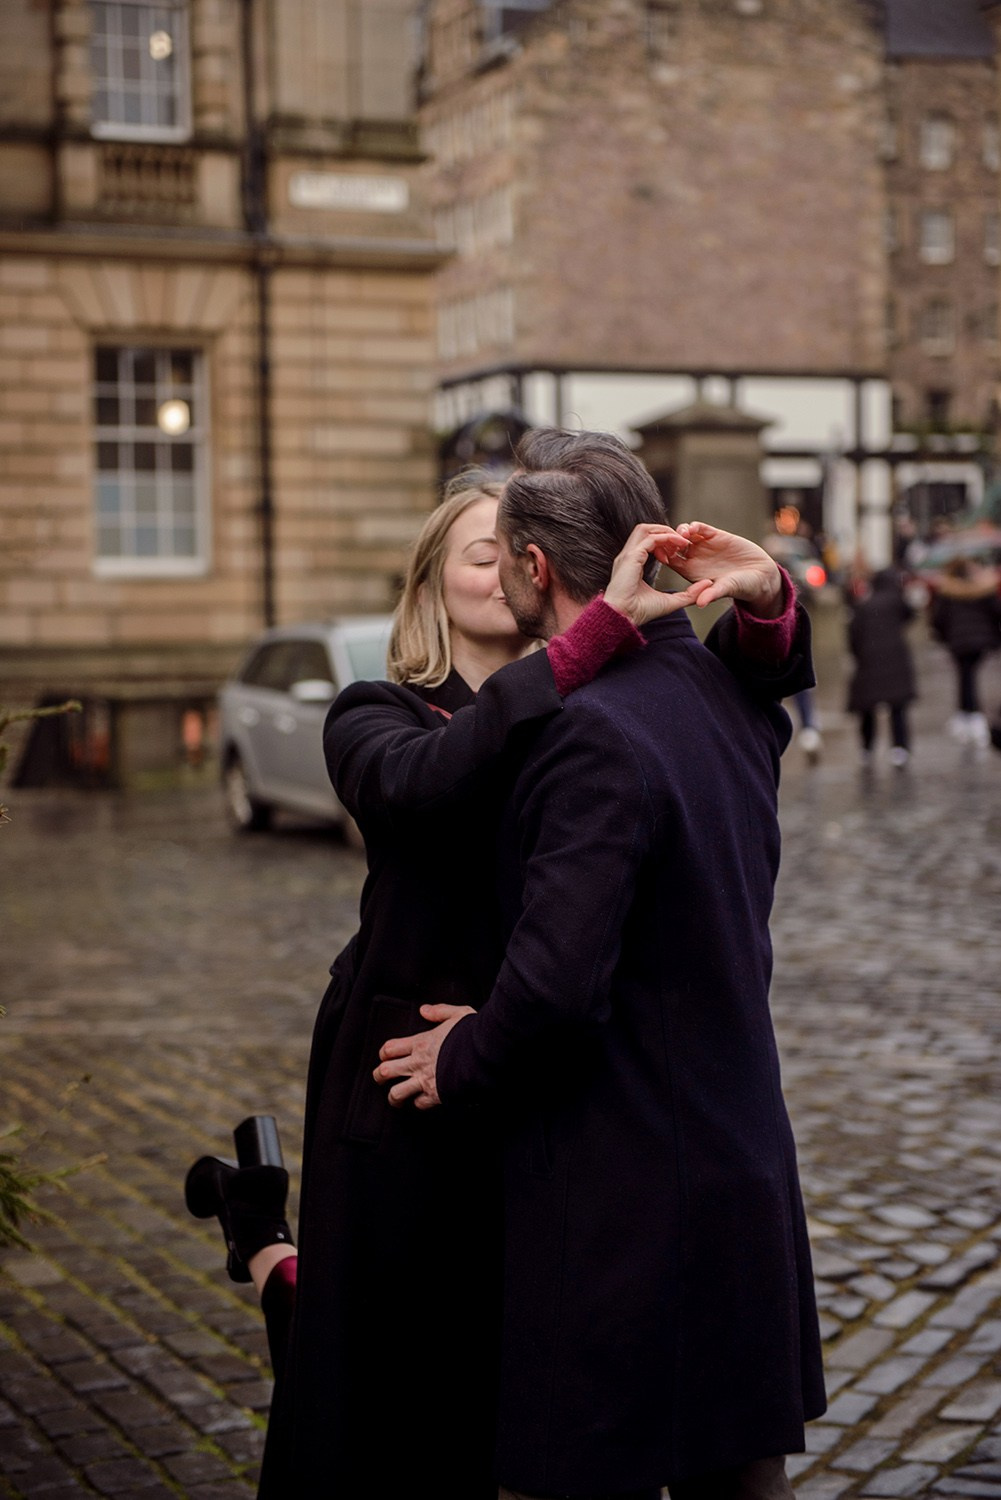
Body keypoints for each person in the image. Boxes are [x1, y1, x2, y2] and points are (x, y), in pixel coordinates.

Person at [187, 463, 816, 1499]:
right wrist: (585, 642)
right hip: (411, 1081)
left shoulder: (596, 707)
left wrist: (759, 605)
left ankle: (258, 1227)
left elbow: (735, 704)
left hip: (534, 1082)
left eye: (507, 552)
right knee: (380, 1365)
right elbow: (422, 786)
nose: (498, 569)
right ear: (431, 584)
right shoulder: (375, 711)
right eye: (475, 553)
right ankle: (260, 1237)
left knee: (515, 1376)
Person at [374, 430, 825, 1500]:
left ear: (535, 569)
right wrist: (763, 603)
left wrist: (465, 1050)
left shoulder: (591, 733)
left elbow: (559, 981)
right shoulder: (727, 700)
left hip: (624, 1199)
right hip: (738, 1164)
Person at [845, 567, 917, 768]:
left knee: (867, 708)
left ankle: (867, 748)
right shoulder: (896, 602)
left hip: (869, 660)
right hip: (895, 660)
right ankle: (900, 747)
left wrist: (857, 655)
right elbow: (911, 615)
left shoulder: (863, 605)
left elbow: (853, 635)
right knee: (898, 706)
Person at [930, 557, 1001, 750]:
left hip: (958, 642)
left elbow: (938, 618)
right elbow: (996, 612)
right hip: (979, 641)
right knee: (968, 675)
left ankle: (968, 713)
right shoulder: (983, 590)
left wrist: (942, 637)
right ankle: (970, 713)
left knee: (965, 675)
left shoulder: (948, 593)